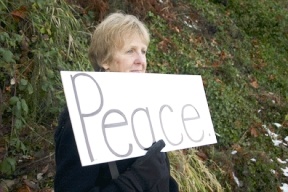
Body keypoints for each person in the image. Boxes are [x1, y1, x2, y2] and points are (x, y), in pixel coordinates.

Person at [54, 12, 179, 192]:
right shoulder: (82, 116)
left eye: (143, 51)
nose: (140, 61)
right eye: (130, 51)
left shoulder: (147, 105)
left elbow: (158, 173)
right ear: (105, 60)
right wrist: (134, 181)